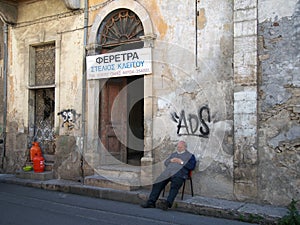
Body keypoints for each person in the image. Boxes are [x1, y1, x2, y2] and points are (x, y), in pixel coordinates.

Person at [141, 140, 196, 210]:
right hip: (168, 173)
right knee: (158, 182)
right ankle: (151, 202)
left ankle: (168, 203)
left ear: (185, 148)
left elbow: (192, 166)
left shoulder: (190, 156)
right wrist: (170, 160)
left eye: (180, 147)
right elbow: (166, 163)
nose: (178, 149)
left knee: (175, 185)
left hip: (180, 174)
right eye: (178, 147)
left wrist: (181, 162)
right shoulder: (174, 154)